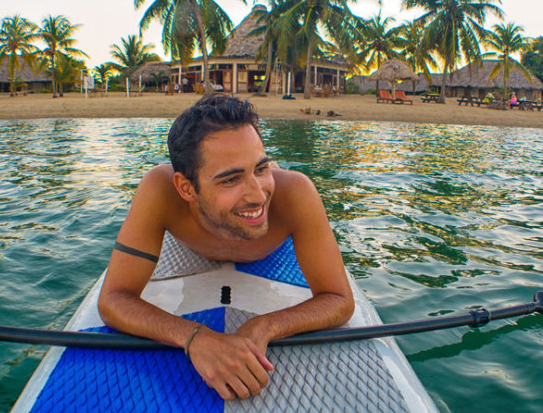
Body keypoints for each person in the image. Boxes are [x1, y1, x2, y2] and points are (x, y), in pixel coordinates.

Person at [98, 94, 354, 400]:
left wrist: (264, 326)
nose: (259, 196)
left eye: (260, 169)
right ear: (186, 188)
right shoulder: (160, 190)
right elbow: (112, 300)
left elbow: (339, 300)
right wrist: (194, 336)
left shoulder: (294, 193)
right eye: (231, 180)